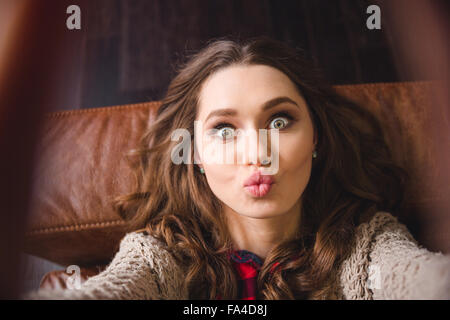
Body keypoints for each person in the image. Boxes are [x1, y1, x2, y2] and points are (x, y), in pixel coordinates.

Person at [23, 36, 450, 300]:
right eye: (224, 129)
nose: (257, 152)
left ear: (316, 137)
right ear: (194, 153)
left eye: (280, 121)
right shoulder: (164, 254)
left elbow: (422, 282)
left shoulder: (368, 242)